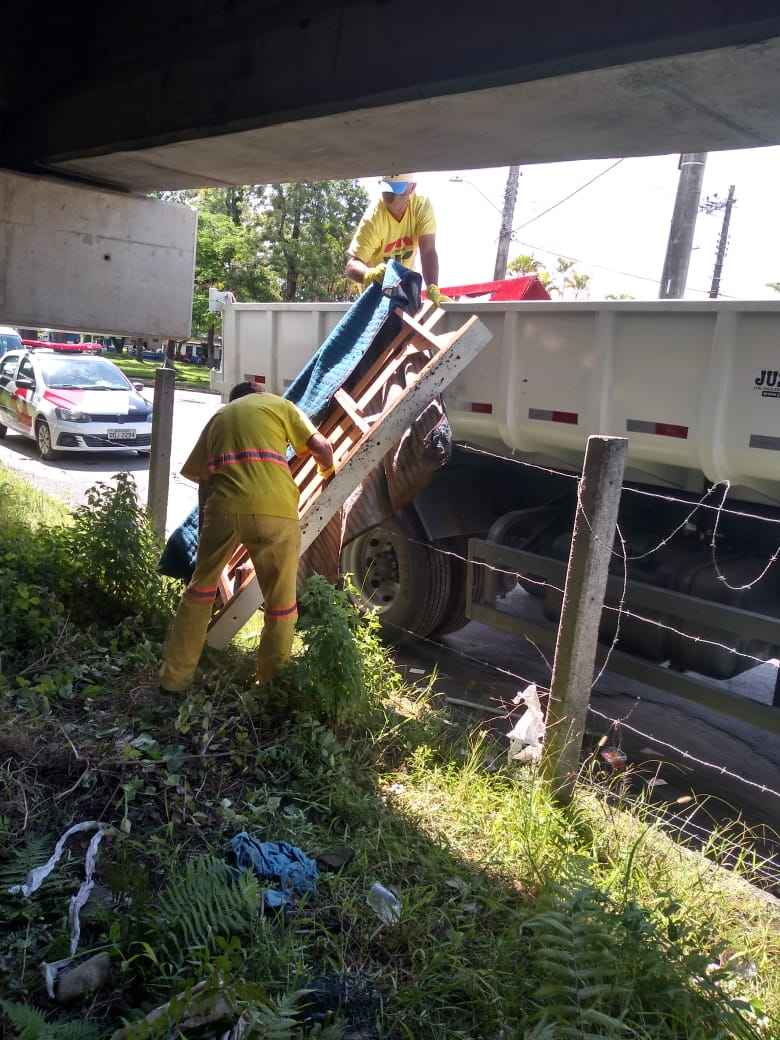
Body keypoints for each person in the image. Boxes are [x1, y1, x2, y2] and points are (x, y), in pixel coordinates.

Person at [159, 381, 333, 693]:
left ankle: (174, 680)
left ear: (234, 400)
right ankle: (269, 686)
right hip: (277, 511)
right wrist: (327, 474)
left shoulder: (218, 419)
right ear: (258, 393)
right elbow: (323, 448)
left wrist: (206, 526)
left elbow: (203, 482)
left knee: (200, 592)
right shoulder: (279, 405)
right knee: (281, 604)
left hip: (224, 510)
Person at [345, 174, 450, 305]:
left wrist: (432, 287)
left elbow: (428, 251)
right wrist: (370, 274)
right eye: (387, 190)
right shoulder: (374, 218)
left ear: (412, 188)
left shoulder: (421, 207)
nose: (391, 196)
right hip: (376, 298)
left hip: (406, 293)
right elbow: (351, 267)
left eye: (397, 190)